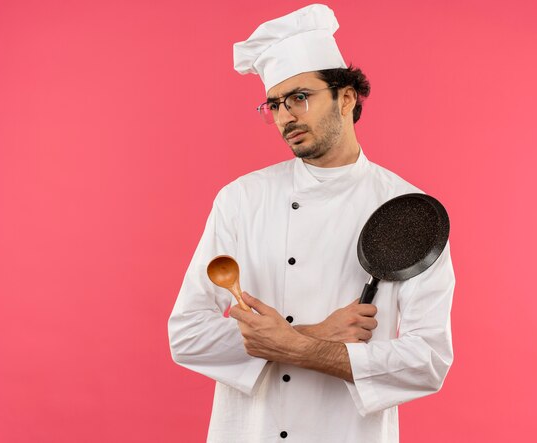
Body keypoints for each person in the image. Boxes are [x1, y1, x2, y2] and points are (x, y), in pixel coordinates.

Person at [168, 4, 455, 442]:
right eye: (275, 104)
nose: (285, 117)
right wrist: (314, 336)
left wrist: (294, 347)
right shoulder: (242, 200)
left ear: (346, 97)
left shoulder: (406, 208)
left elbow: (428, 361)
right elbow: (187, 336)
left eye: (300, 97)